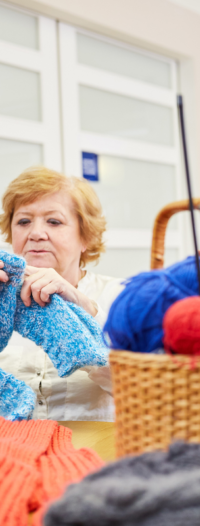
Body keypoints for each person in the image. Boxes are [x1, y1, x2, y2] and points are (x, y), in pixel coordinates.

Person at [0, 167, 122, 421]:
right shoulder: (4, 301)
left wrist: (81, 308)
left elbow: (149, 389)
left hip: (99, 452)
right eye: (23, 221)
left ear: (85, 236)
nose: (35, 233)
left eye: (54, 221)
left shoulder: (120, 297)